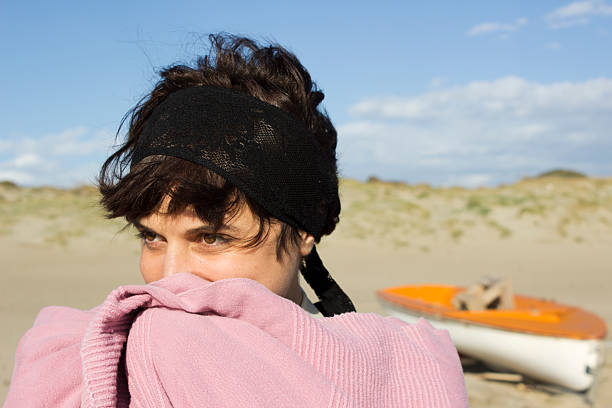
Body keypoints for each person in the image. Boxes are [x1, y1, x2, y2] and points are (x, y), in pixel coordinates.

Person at [5, 34, 468, 407]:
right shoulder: (83, 357)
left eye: (212, 238)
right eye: (152, 237)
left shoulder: (398, 369)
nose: (171, 277)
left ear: (304, 231)